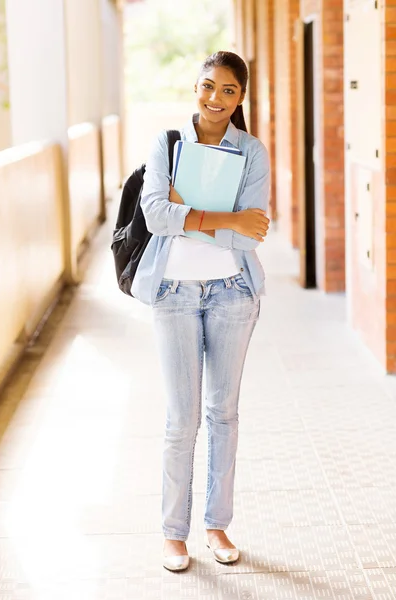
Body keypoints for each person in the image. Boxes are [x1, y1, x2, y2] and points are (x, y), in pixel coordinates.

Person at [131, 50, 270, 571]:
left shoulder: (251, 151)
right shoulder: (168, 144)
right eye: (208, 86)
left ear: (241, 98)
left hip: (233, 290)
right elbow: (154, 216)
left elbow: (254, 225)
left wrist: (187, 212)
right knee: (180, 418)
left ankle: (217, 525)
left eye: (229, 91)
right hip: (173, 293)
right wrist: (223, 219)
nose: (216, 98)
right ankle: (173, 534)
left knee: (223, 414)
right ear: (195, 87)